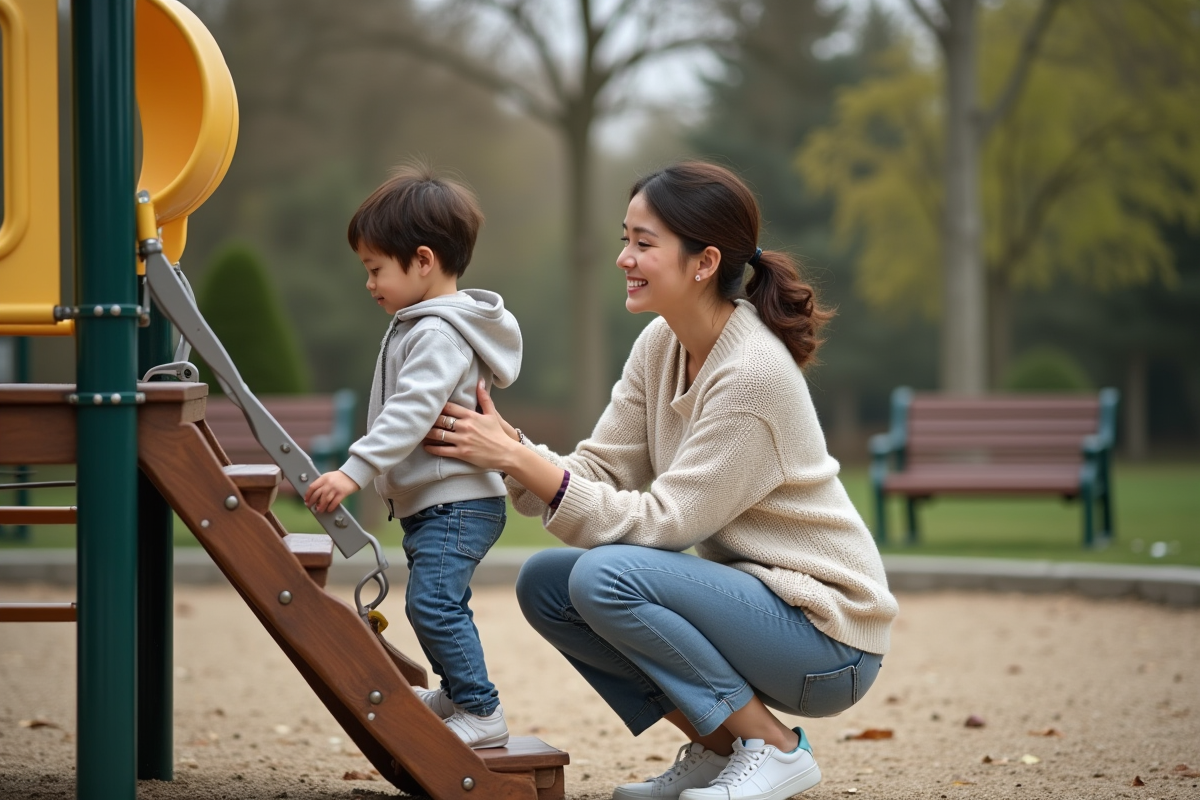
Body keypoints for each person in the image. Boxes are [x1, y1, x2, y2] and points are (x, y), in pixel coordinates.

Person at [422, 161, 898, 799]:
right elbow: (601, 469)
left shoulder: (753, 372)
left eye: (644, 243)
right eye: (626, 239)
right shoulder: (660, 345)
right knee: (547, 584)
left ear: (703, 263)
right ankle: (720, 744)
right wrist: (512, 447)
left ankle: (777, 748)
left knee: (604, 576)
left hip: (827, 638)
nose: (625, 257)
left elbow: (664, 526)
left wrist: (517, 461)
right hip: (758, 609)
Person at [304, 163, 522, 749]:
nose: (369, 283)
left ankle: (480, 708)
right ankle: (457, 692)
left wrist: (355, 470)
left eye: (375, 269)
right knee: (436, 604)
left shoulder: (436, 333)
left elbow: (411, 410)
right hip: (444, 501)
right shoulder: (423, 324)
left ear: (422, 261)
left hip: (460, 502)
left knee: (433, 604)